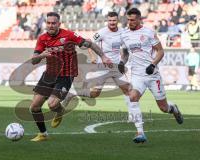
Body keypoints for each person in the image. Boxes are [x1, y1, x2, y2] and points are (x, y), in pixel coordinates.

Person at [61, 11, 145, 143]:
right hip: (102, 67)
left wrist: (122, 62)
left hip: (116, 67)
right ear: (107, 21)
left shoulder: (123, 32)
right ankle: (72, 93)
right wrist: (93, 56)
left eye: (114, 20)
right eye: (110, 20)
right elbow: (88, 43)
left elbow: (126, 51)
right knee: (94, 94)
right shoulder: (102, 32)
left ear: (117, 20)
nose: (112, 23)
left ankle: (132, 117)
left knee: (128, 90)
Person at [30, 12, 112, 142]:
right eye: (49, 23)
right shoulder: (42, 38)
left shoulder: (69, 35)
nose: (51, 25)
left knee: (52, 105)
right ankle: (43, 134)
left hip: (65, 75)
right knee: (34, 107)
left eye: (53, 23)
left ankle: (59, 110)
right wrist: (41, 55)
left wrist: (103, 56)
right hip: (49, 74)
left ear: (59, 24)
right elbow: (33, 60)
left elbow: (89, 44)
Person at [119, 8, 184, 143]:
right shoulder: (124, 34)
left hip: (152, 75)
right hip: (137, 75)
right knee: (133, 97)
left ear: (139, 19)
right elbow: (125, 53)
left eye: (132, 20)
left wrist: (153, 64)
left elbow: (160, 51)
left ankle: (174, 109)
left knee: (163, 108)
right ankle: (140, 133)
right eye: (128, 19)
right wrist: (122, 62)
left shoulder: (148, 32)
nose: (129, 22)